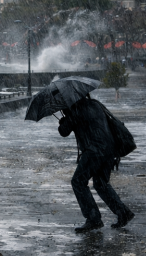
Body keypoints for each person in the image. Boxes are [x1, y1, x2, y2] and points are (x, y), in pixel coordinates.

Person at [58, 95, 134, 232]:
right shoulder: (94, 104)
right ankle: (123, 212)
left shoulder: (76, 110)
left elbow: (63, 131)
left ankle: (93, 219)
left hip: (94, 150)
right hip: (109, 149)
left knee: (78, 181)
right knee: (100, 183)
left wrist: (64, 118)